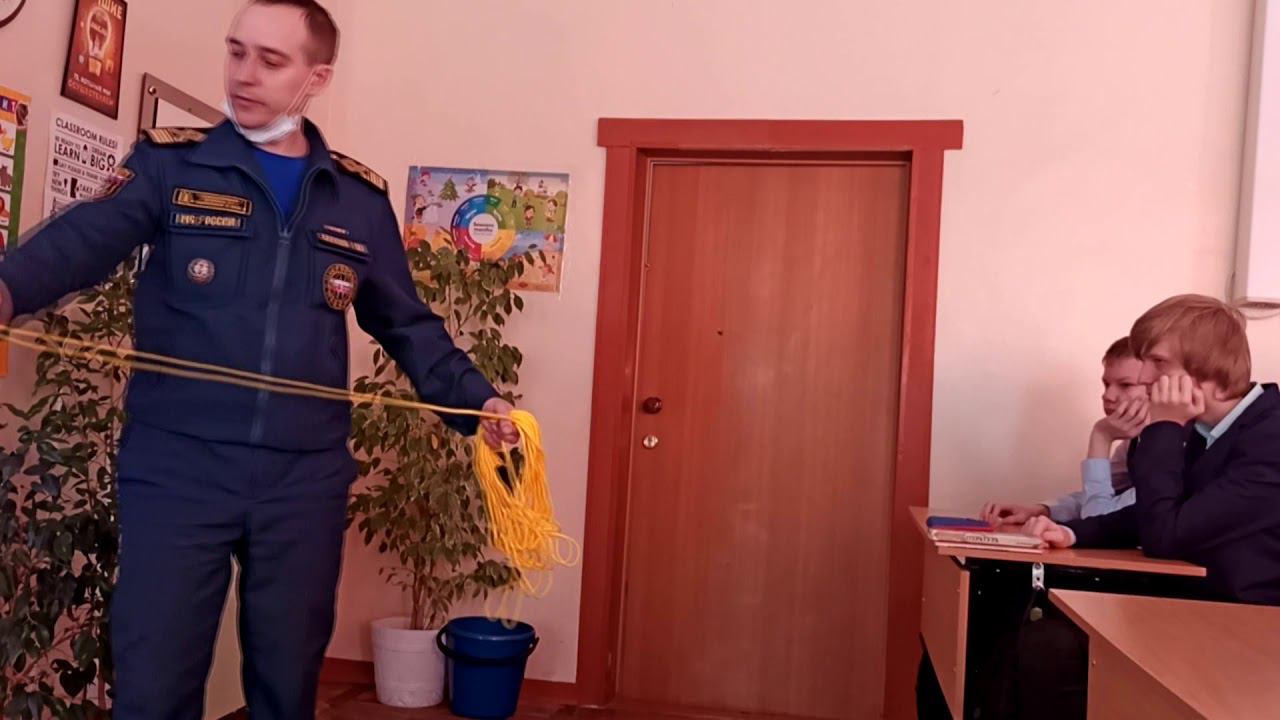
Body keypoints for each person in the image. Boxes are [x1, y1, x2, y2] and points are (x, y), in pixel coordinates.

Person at [0, 1, 520, 717]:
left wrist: (478, 401)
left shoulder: (358, 200)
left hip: (303, 482)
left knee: (286, 688)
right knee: (153, 687)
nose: (244, 74)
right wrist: (7, 290)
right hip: (177, 468)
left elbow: (410, 327)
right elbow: (81, 242)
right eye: (237, 51)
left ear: (317, 77)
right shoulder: (171, 163)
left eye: (271, 61)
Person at [1023, 295, 1280, 605]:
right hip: (1199, 608)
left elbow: (1164, 536)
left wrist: (1164, 426)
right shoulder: (1209, 431)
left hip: (1248, 621)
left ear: (1206, 368)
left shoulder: (1270, 439)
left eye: (1158, 362)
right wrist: (1070, 533)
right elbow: (1153, 512)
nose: (1144, 378)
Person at [981, 337, 1149, 527]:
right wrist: (1043, 511)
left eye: (1126, 385)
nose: (1107, 395)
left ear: (1156, 387)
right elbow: (1098, 495)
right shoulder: (1135, 443)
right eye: (1106, 384)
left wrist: (1101, 437)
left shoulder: (1172, 453)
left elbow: (1097, 520)